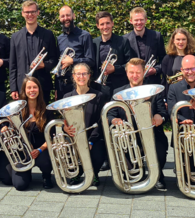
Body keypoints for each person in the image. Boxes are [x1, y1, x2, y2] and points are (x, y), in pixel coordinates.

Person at [106, 58, 169, 190]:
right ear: (126, 73)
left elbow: (164, 113)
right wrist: (114, 120)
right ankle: (133, 173)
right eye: (131, 72)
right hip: (128, 137)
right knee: (125, 160)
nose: (134, 76)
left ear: (144, 72)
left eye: (138, 72)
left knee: (159, 152)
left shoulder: (154, 90)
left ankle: (157, 175)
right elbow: (111, 113)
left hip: (152, 135)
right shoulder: (118, 92)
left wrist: (160, 117)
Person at [63, 63, 110, 186]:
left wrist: (90, 141)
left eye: (84, 74)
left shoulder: (98, 96)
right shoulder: (67, 97)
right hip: (74, 137)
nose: (81, 77)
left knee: (98, 154)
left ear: (89, 76)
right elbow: (65, 120)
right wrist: (65, 128)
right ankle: (76, 173)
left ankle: (93, 173)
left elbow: (101, 121)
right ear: (73, 76)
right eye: (78, 74)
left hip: (93, 137)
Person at [5, 76, 55, 190]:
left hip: (42, 149)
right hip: (23, 151)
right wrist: (7, 128)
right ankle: (27, 175)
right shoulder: (17, 110)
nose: (32, 90)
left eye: (34, 87)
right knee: (19, 185)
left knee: (46, 162)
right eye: (29, 88)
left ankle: (46, 176)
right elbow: (12, 133)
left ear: (39, 89)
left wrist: (39, 150)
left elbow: (51, 137)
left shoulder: (47, 111)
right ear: (24, 90)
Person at [9, 0, 58, 102]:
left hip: (43, 85)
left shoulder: (48, 35)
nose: (30, 14)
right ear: (22, 14)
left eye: (33, 12)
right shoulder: (15, 37)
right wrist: (13, 88)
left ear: (38, 13)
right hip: (22, 85)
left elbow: (54, 59)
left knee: (43, 115)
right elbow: (13, 65)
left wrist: (44, 65)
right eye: (27, 12)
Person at [54, 5, 95, 100]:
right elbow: (58, 65)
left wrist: (73, 61)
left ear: (74, 16)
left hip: (79, 84)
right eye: (62, 16)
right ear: (60, 18)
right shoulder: (59, 38)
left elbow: (91, 61)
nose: (65, 18)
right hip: (62, 86)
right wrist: (56, 88)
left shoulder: (85, 36)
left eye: (68, 15)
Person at [92, 11, 136, 93]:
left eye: (108, 23)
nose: (105, 27)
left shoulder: (123, 41)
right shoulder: (94, 43)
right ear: (98, 26)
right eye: (102, 24)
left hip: (119, 86)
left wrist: (115, 68)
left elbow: (130, 64)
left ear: (112, 23)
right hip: (99, 88)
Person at [123, 7, 165, 85]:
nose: (139, 22)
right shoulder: (125, 39)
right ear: (131, 21)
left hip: (153, 81)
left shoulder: (156, 36)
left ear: (146, 20)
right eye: (136, 20)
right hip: (133, 82)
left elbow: (164, 58)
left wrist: (156, 70)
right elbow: (124, 62)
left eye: (141, 19)